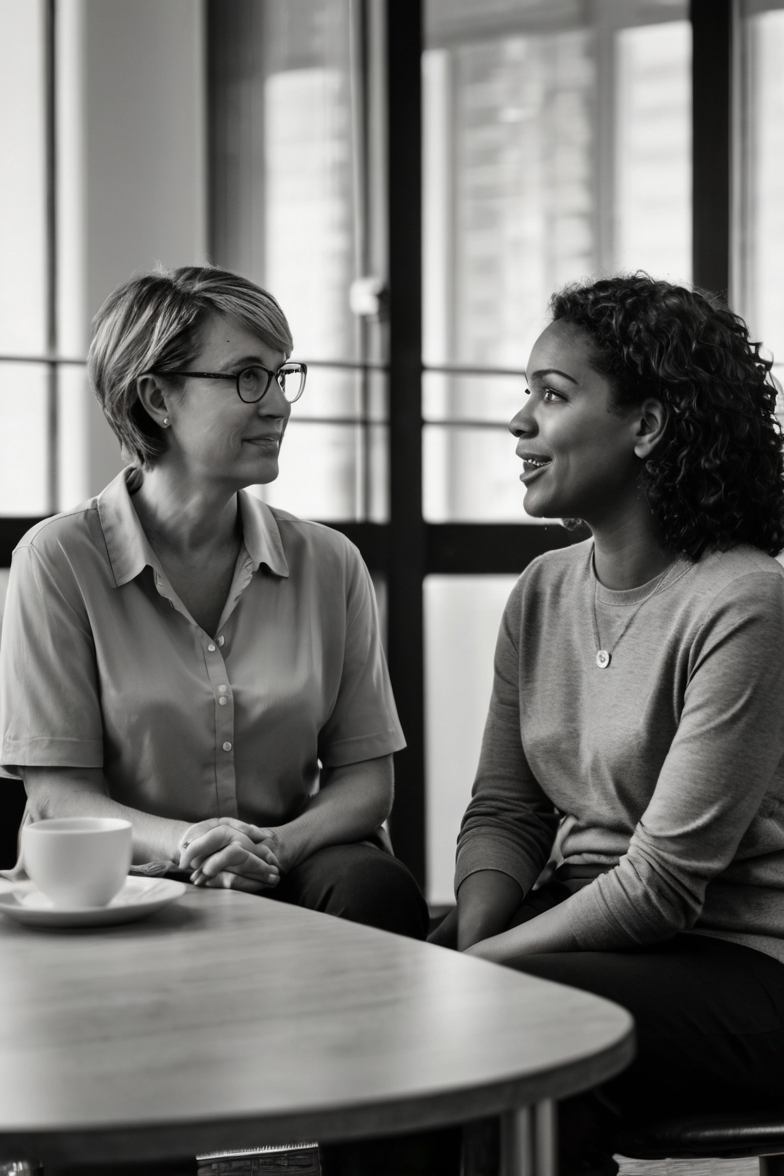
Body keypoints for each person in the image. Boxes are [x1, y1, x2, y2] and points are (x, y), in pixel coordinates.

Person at [430, 274, 784, 1174]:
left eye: (552, 394)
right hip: (585, 923)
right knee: (397, 996)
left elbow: (665, 884)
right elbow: (506, 811)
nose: (519, 421)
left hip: (739, 961)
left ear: (648, 426)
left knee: (520, 1010)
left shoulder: (744, 601)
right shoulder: (543, 591)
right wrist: (472, 946)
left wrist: (489, 970)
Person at [0, 264, 427, 941]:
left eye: (282, 375)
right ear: (157, 398)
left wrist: (278, 847)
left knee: (374, 886)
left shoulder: (329, 564)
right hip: (124, 869)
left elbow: (367, 784)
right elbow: (60, 797)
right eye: (247, 376)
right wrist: (191, 844)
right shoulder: (57, 561)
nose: (279, 403)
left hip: (288, 859)